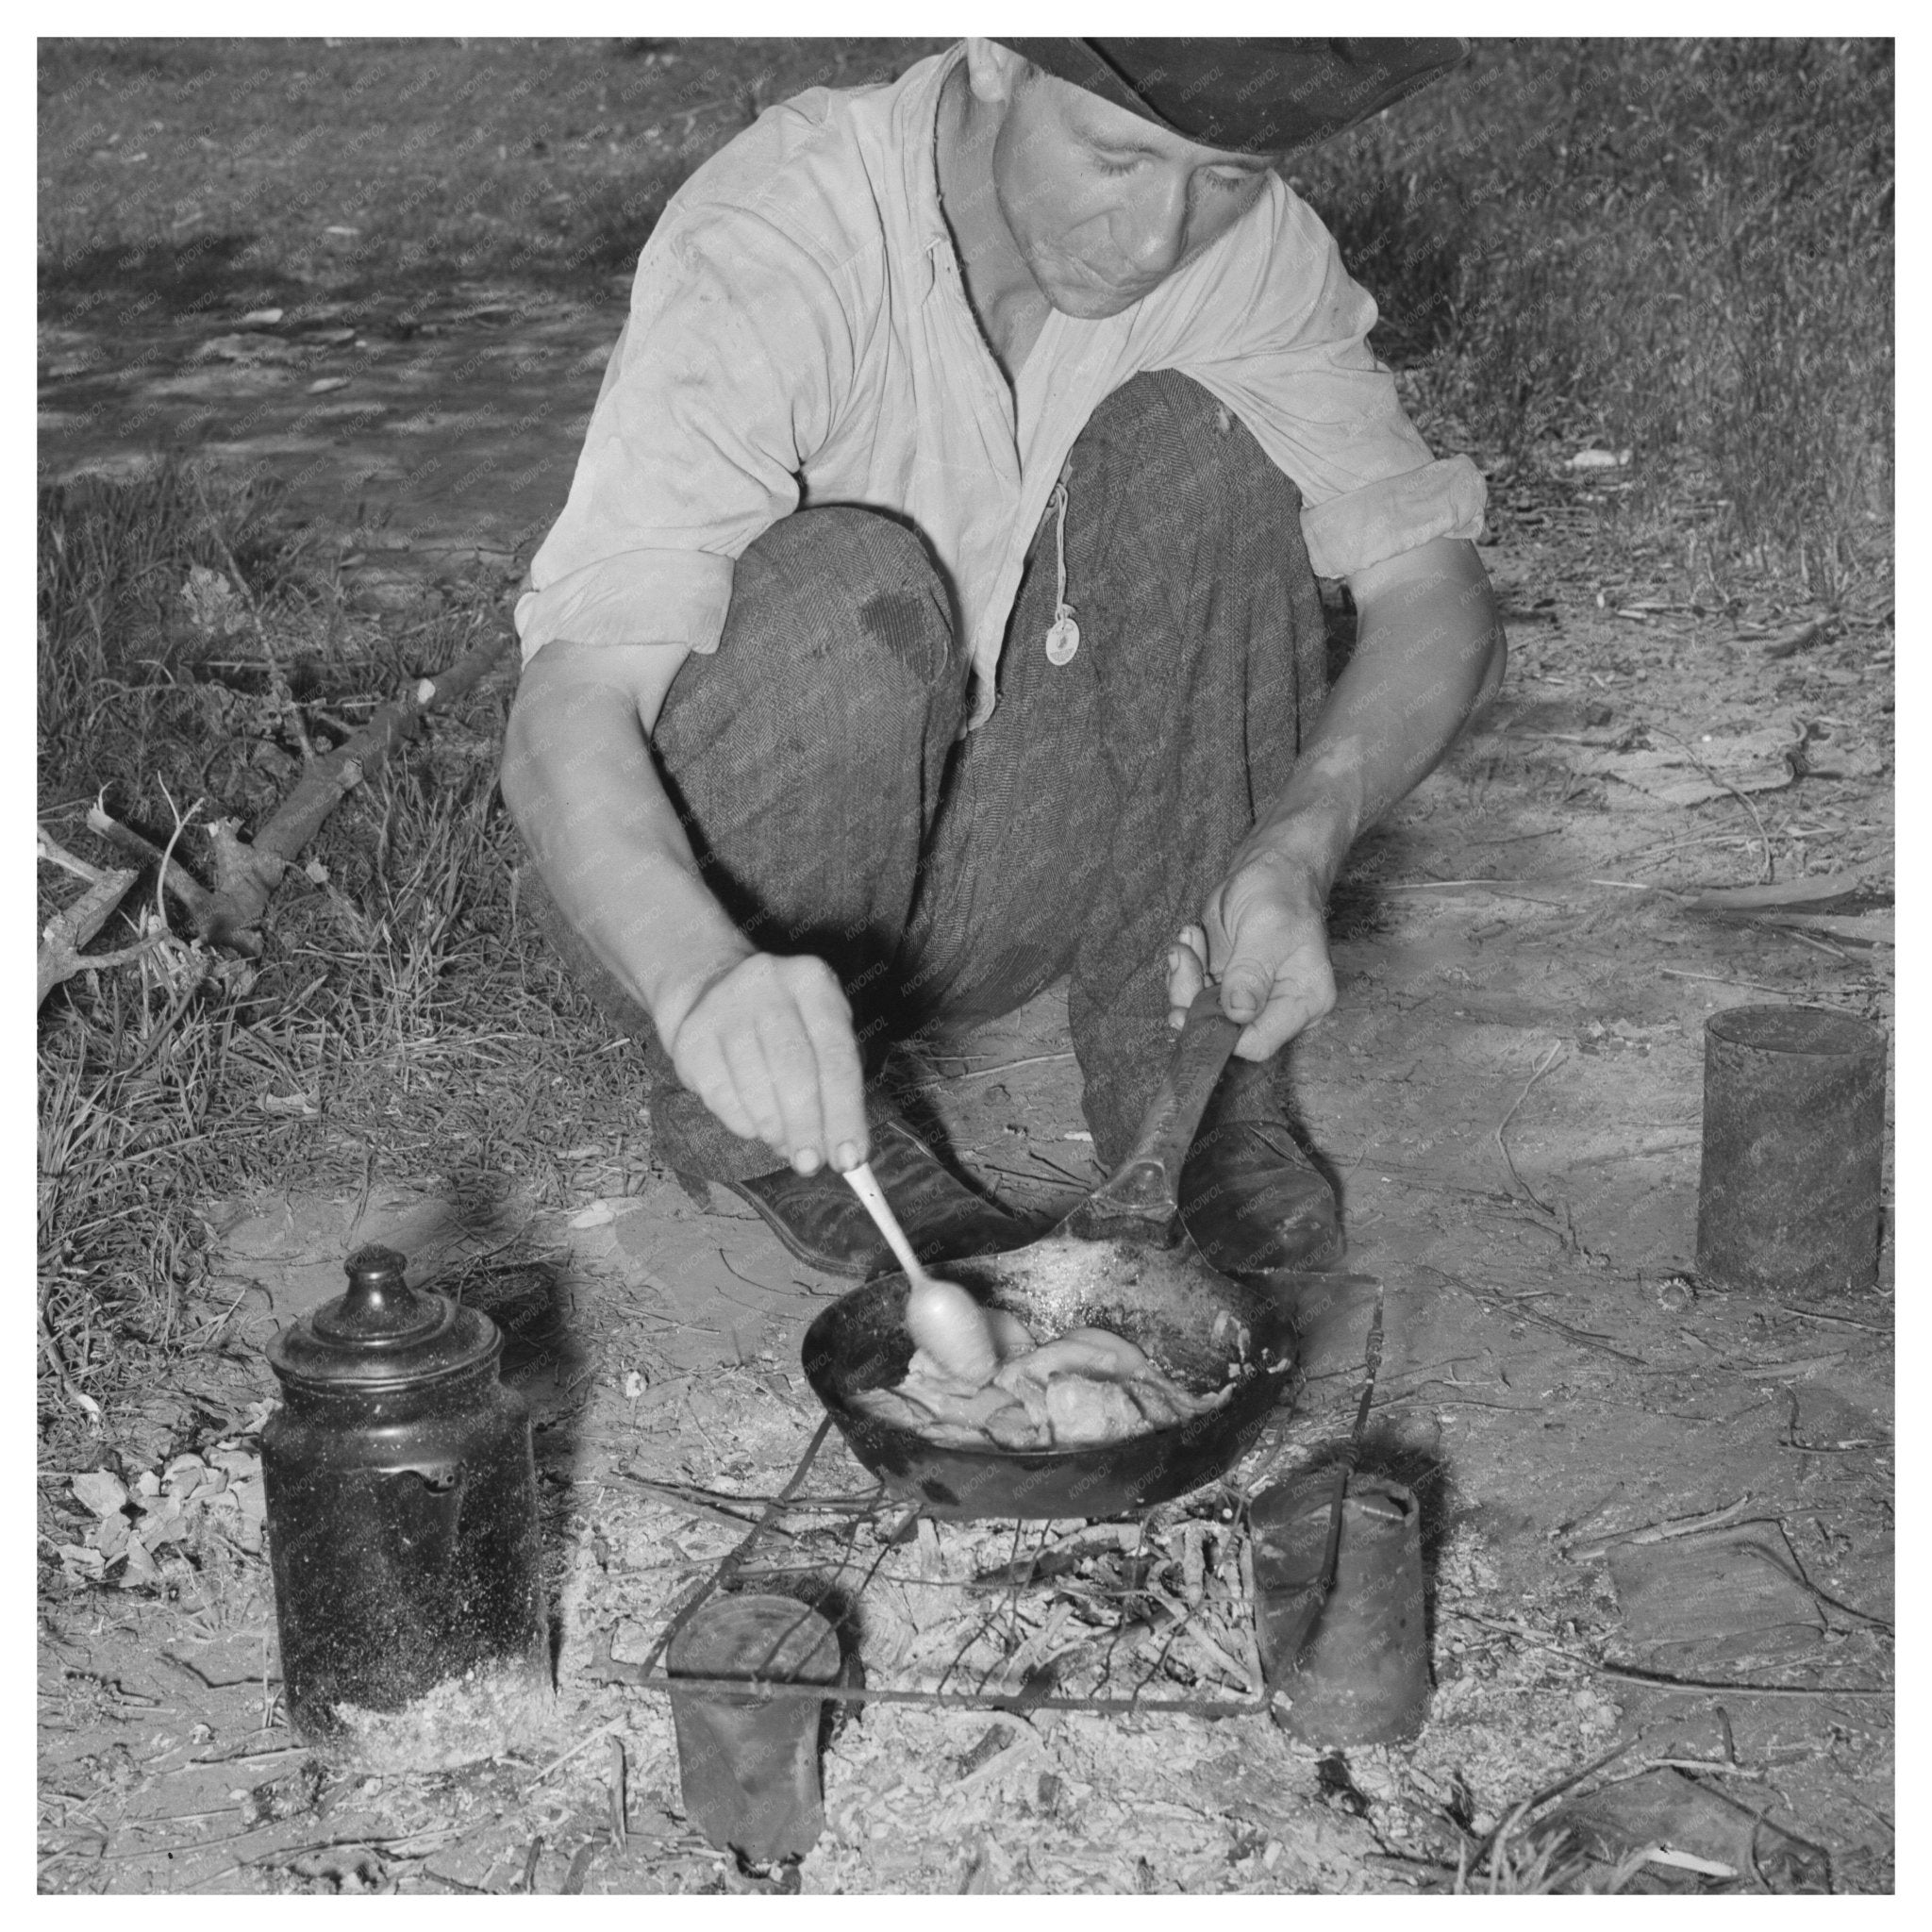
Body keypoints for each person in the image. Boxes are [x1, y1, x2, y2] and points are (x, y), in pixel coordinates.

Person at [500, 38, 1506, 1287]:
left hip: (992, 878)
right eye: (1116, 156)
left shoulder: (1246, 251)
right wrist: (702, 975)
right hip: (719, 902)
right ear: (989, 54)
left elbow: (1431, 588)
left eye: (1224, 177)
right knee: (852, 588)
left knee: (1211, 450)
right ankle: (793, 1134)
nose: (1156, 238)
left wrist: (1299, 846)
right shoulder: (785, 227)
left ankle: (1185, 1092)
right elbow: (572, 704)